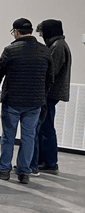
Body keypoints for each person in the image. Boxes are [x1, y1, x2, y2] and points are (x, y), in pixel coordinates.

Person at [0, 18, 52, 184]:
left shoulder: (11, 50)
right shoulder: (44, 50)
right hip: (35, 102)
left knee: (8, 136)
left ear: (16, 32)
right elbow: (50, 78)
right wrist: (41, 96)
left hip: (13, 101)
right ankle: (24, 172)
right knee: (29, 137)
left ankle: (4, 169)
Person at [33, 19, 71, 174]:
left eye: (42, 32)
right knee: (44, 126)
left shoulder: (58, 46)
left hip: (50, 92)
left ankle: (49, 162)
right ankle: (44, 160)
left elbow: (50, 71)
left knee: (46, 127)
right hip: (51, 92)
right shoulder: (58, 44)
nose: (41, 35)